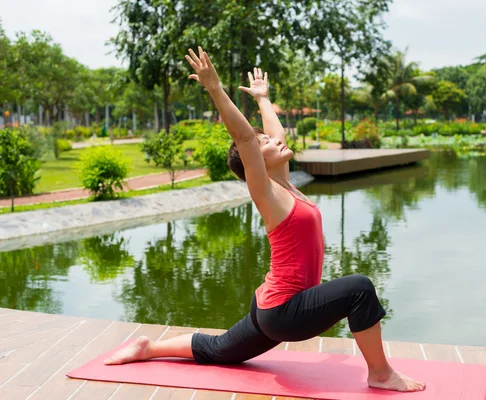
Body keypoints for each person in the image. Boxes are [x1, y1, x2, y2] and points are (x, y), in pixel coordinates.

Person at [103, 46, 425, 393]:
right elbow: (244, 138)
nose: (275, 140)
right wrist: (215, 88)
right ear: (254, 159)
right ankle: (380, 374)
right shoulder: (267, 193)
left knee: (220, 350)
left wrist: (262, 100)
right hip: (285, 312)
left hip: (269, 306)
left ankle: (148, 348)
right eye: (264, 144)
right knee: (360, 289)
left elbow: (277, 137)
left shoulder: (284, 183)